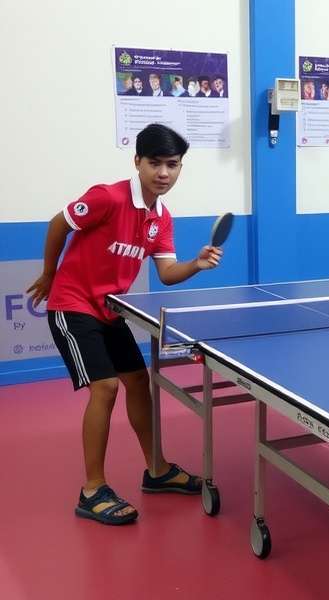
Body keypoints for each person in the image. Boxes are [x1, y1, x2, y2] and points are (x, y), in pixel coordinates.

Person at [26, 124, 224, 526]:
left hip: (110, 310)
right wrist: (49, 275)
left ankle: (157, 469)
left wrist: (196, 265)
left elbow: (167, 272)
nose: (164, 172)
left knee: (138, 381)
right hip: (72, 304)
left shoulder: (161, 218)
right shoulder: (108, 198)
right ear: (138, 162)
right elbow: (57, 224)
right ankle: (92, 490)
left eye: (172, 165)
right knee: (106, 387)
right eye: (155, 163)